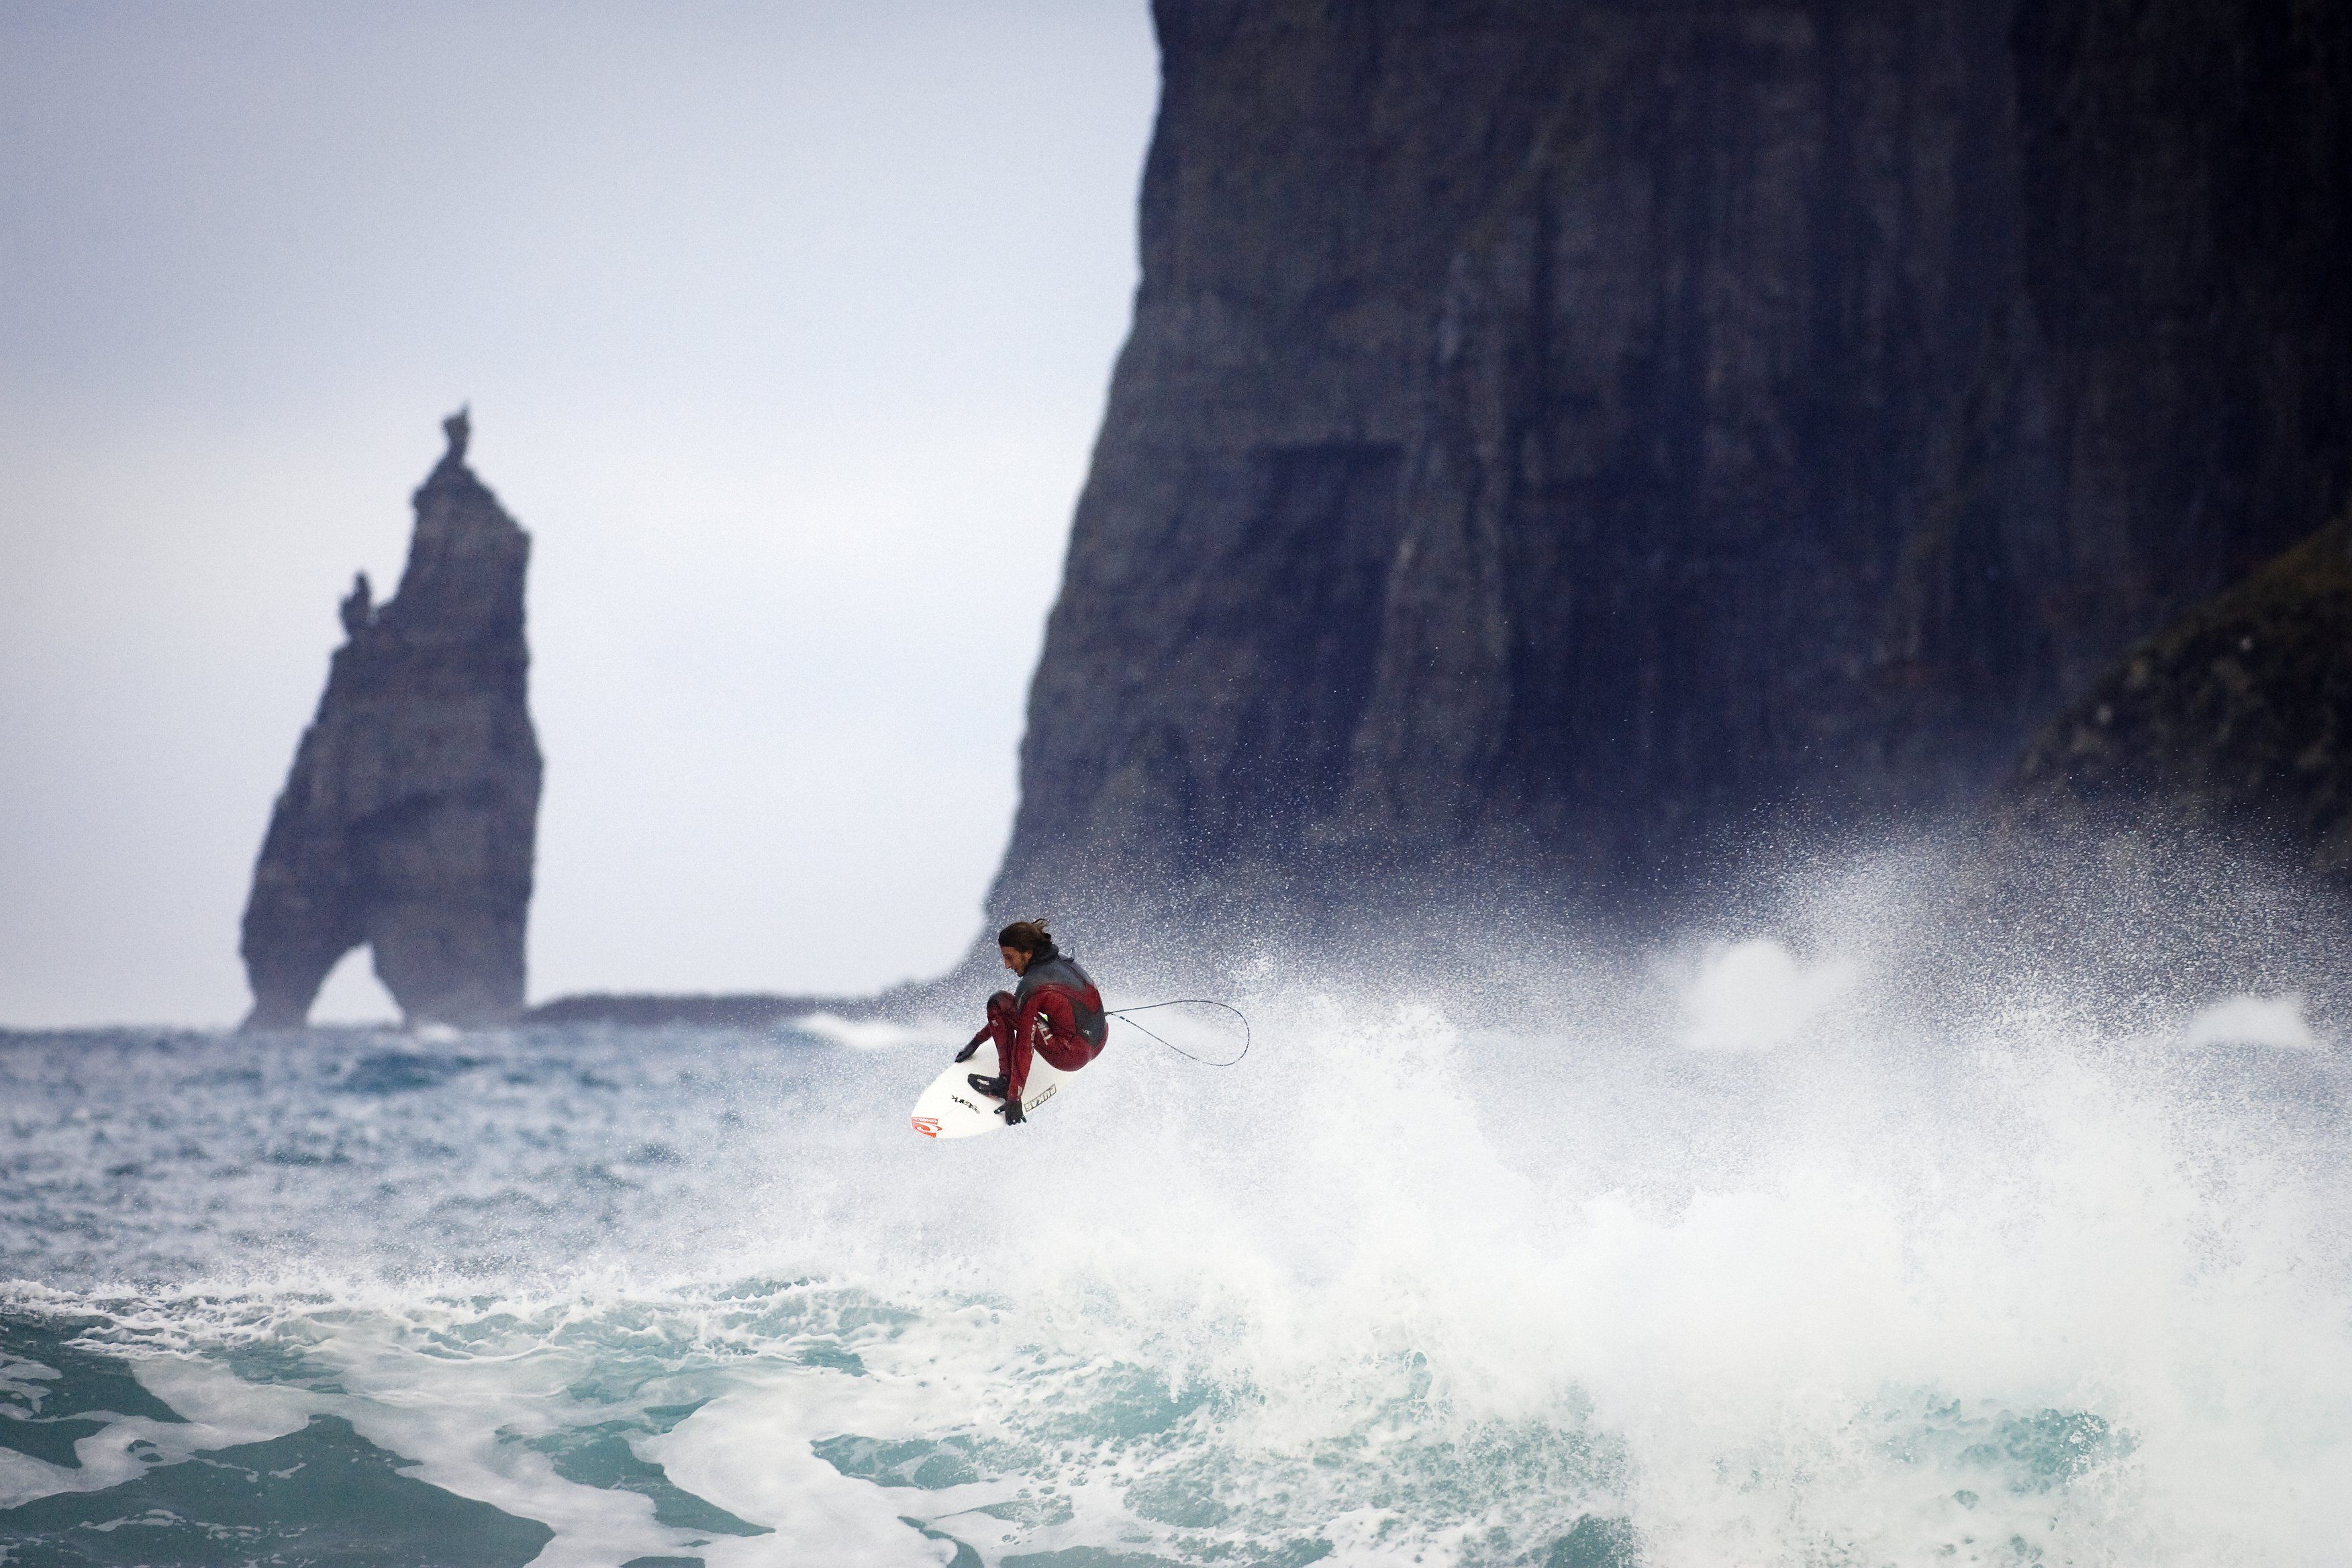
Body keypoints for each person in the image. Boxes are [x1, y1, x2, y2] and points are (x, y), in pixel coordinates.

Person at [954, 919, 1106, 1125]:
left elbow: (1025, 1046)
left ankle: (1005, 1082)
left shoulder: (1033, 986)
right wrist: (977, 1041)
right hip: (1099, 1041)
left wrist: (1015, 1097)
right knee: (1018, 1008)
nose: (1007, 965)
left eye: (1010, 957)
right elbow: (1014, 1014)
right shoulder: (1062, 961)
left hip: (1070, 1056)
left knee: (997, 1001)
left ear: (1027, 954)